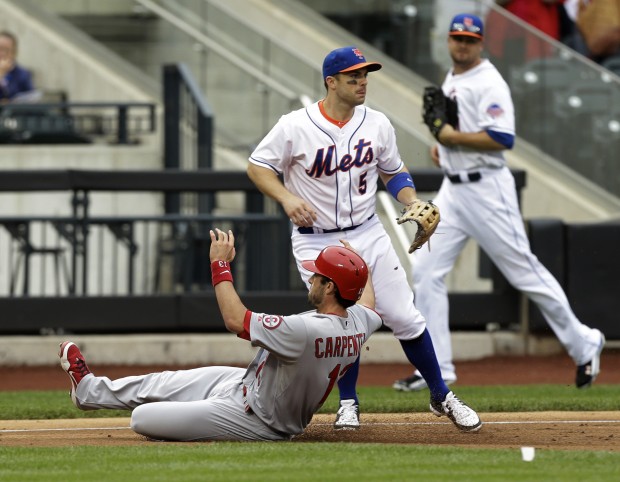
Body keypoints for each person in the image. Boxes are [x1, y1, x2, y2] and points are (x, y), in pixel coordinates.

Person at [247, 46, 482, 433]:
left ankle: (441, 394)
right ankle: (349, 403)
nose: (362, 82)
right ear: (331, 81)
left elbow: (394, 171)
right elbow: (258, 166)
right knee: (343, 319)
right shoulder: (295, 125)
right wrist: (287, 198)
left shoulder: (376, 124)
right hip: (316, 241)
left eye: (365, 75)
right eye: (354, 76)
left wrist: (412, 200)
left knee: (405, 316)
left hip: (367, 232)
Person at [392, 13, 605, 393]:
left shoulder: (489, 82)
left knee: (524, 272)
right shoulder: (453, 76)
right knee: (425, 268)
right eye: (457, 38)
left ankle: (584, 342)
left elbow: (502, 137)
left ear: (481, 43)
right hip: (454, 190)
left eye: (469, 40)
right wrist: (442, 146)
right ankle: (435, 367)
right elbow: (452, 133)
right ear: (449, 40)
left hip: (487, 189)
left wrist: (453, 138)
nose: (462, 45)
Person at [59, 228, 383, 441]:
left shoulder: (306, 329)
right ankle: (89, 391)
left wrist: (219, 265)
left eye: (317, 276)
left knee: (142, 419)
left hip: (258, 420)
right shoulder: (357, 322)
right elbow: (368, 302)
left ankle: (209, 411)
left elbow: (234, 319)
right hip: (247, 388)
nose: (311, 279)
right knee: (163, 381)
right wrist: (358, 265)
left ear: (329, 287)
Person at [0, 31, 38, 104]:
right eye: (0, 48)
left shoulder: (23, 74)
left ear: (14, 52)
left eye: (7, 50)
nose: (2, 53)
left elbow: (30, 97)